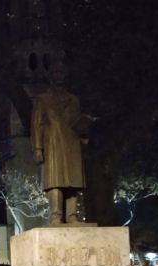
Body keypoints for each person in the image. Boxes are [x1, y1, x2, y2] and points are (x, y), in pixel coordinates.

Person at [31, 61, 97, 224]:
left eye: (61, 73)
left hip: (71, 142)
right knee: (55, 179)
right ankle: (56, 215)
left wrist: (85, 126)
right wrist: (38, 148)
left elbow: (76, 120)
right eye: (55, 73)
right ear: (50, 76)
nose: (59, 76)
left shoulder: (73, 100)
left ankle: (72, 215)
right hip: (52, 142)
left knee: (73, 181)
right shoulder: (42, 99)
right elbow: (36, 124)